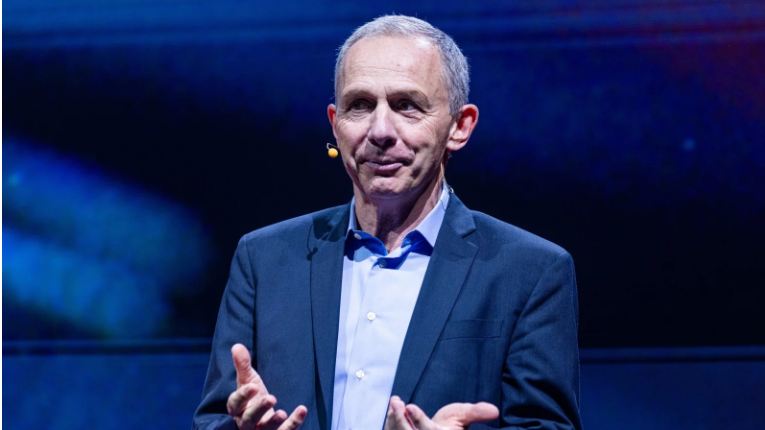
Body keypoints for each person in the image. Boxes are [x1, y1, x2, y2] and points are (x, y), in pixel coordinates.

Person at [193, 15, 582, 430]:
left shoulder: (530, 270)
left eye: (407, 105)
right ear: (335, 124)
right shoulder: (263, 259)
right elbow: (214, 420)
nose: (380, 131)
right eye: (360, 105)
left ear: (459, 126)